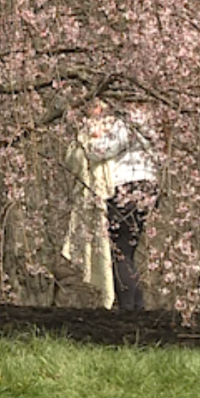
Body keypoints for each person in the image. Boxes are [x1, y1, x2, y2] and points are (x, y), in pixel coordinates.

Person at [64, 100, 161, 310]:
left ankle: (129, 309)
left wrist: (90, 141)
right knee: (127, 251)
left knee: (120, 252)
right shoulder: (149, 125)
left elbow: (100, 150)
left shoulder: (127, 122)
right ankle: (136, 307)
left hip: (127, 189)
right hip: (148, 189)